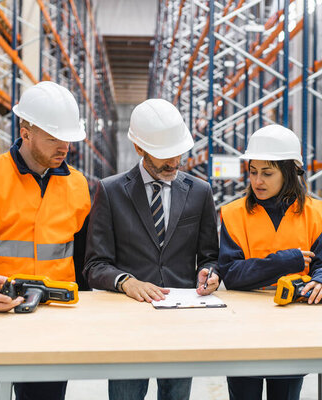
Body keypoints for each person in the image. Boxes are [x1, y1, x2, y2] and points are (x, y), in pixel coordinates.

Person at [0, 81, 92, 400]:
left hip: (51, 323)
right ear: (25, 131)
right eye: (53, 138)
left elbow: (84, 259)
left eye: (67, 139)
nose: (63, 148)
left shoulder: (80, 187)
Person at [84, 98, 219, 400]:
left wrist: (210, 273)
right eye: (163, 156)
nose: (173, 162)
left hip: (181, 322)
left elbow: (209, 256)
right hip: (129, 323)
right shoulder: (111, 191)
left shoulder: (200, 192)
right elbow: (95, 265)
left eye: (177, 153)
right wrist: (126, 282)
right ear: (139, 148)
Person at [218, 124, 322, 400]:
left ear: (289, 172)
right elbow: (233, 275)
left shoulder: (315, 213)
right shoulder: (234, 214)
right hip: (243, 329)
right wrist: (286, 261)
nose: (257, 181)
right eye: (253, 171)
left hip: (294, 328)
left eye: (267, 173)